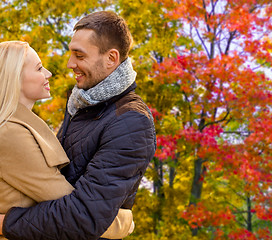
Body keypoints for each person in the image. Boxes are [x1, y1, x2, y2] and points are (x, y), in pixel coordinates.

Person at [1, 11, 156, 240]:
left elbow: (84, 216)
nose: (69, 64)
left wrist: (5, 222)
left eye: (79, 55)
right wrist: (122, 222)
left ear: (111, 58)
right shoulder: (81, 104)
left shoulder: (130, 121)